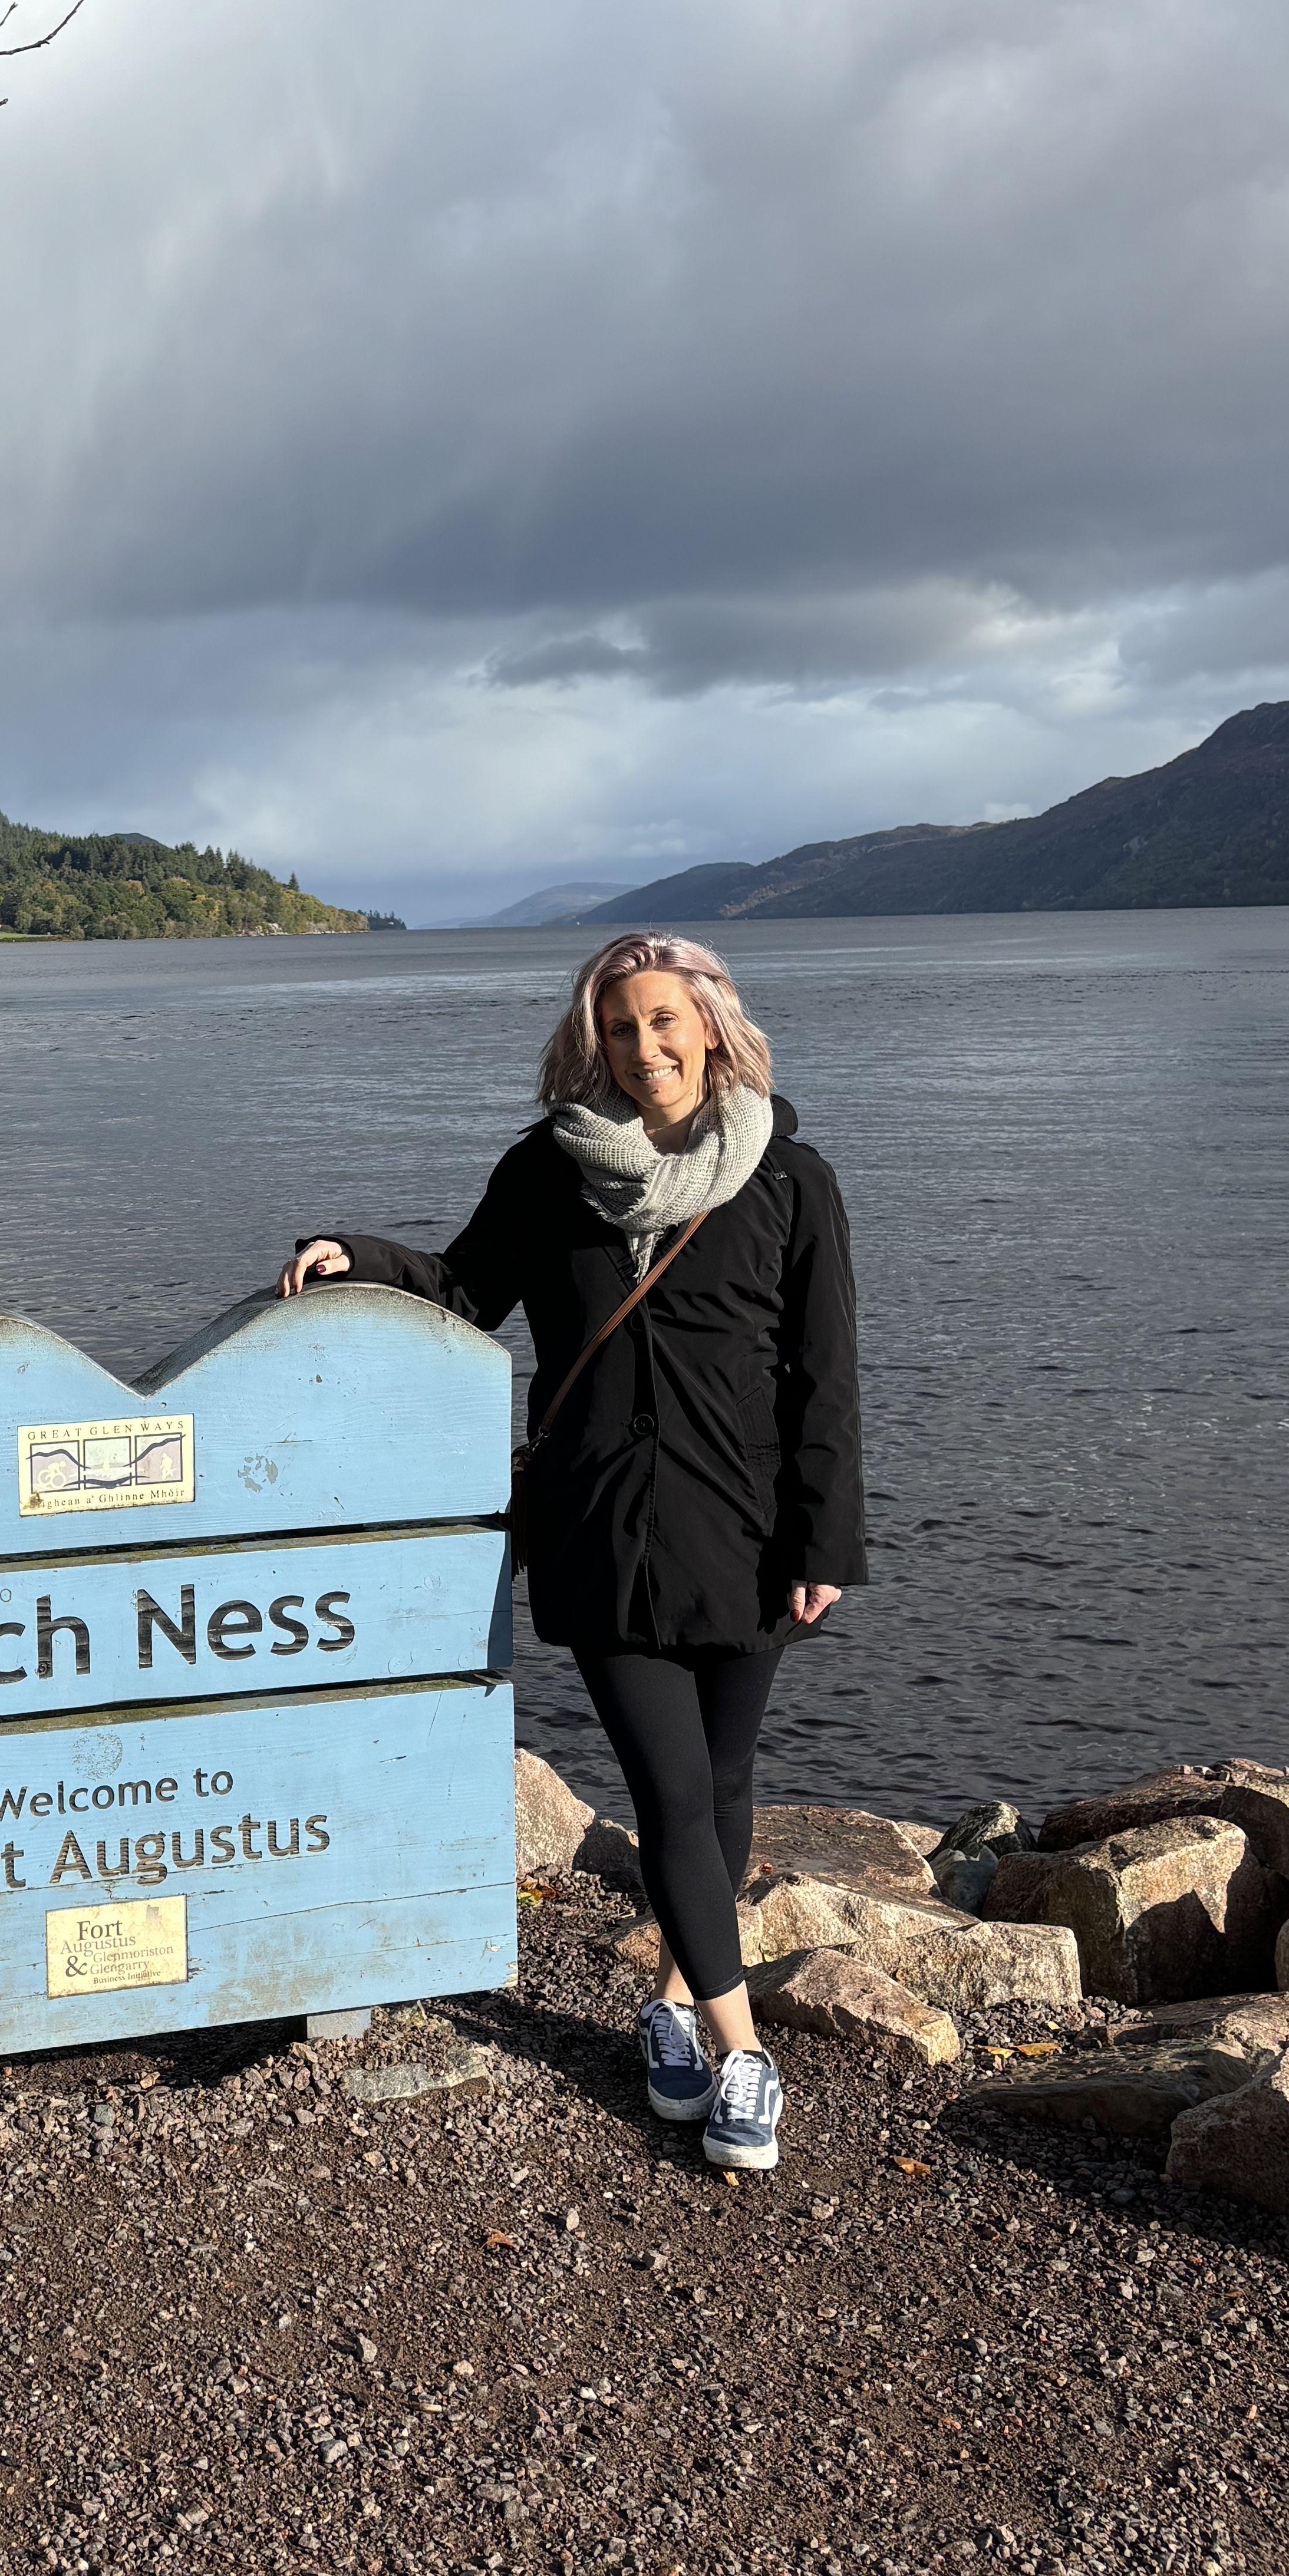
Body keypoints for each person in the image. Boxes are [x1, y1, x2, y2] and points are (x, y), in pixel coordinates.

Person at [276, 931, 863, 2175]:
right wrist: (358, 1260)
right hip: (603, 1530)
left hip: (749, 1534)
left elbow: (825, 1381)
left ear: (710, 1024)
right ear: (590, 1043)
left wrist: (827, 1541)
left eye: (662, 1021)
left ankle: (665, 2006)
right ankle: (742, 2052)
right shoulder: (551, 1170)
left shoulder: (792, 1181)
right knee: (669, 1794)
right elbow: (464, 1283)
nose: (643, 1049)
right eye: (617, 1028)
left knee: (725, 1777)